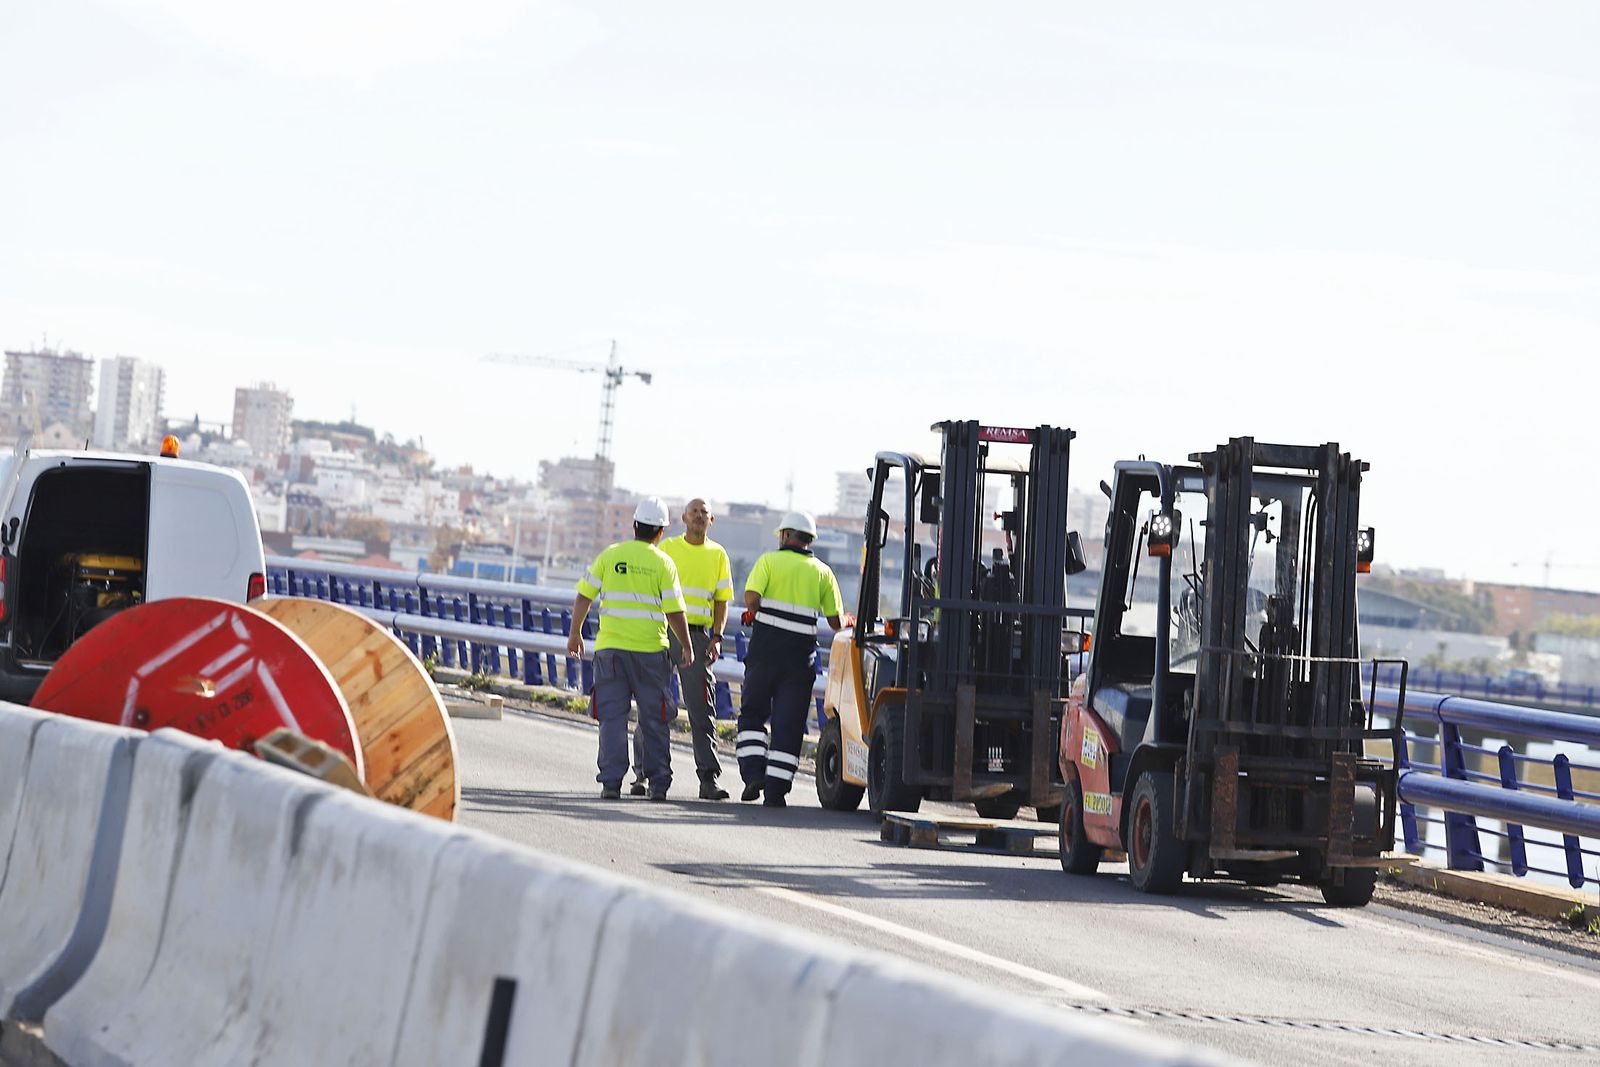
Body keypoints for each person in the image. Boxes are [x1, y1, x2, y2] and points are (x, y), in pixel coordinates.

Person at [568, 496, 694, 801]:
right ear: (661, 532)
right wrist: (687, 646)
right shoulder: (663, 562)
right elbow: (675, 611)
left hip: (610, 652)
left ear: (634, 525)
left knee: (612, 718)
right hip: (651, 654)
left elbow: (584, 596)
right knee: (654, 718)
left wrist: (575, 634)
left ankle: (611, 783)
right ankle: (658, 784)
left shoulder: (610, 555)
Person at [736, 510, 849, 808]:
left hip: (763, 654)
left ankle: (752, 775)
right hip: (799, 661)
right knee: (788, 724)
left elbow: (751, 598)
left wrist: (759, 611)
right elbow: (837, 622)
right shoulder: (823, 572)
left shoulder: (769, 561)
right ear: (809, 540)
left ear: (786, 536)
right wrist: (848, 618)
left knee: (752, 714)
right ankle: (775, 793)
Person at [637, 498, 734, 801]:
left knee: (702, 710)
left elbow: (722, 600)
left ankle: (708, 780)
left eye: (704, 511)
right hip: (661, 632)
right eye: (693, 510)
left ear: (711, 520)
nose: (698, 515)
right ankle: (641, 775)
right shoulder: (667, 550)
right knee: (652, 705)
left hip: (697, 636)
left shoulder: (718, 554)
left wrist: (717, 636)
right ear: (682, 518)